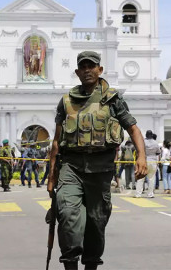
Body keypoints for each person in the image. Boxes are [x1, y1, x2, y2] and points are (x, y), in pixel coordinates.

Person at [47, 51, 147, 270]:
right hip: (71, 167)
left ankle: (91, 264)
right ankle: (70, 263)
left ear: (100, 70)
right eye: (82, 67)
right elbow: (56, 142)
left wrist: (141, 156)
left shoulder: (113, 99)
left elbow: (133, 129)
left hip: (101, 169)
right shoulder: (66, 101)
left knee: (96, 221)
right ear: (77, 72)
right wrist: (51, 177)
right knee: (66, 213)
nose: (87, 70)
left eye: (91, 66)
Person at [135, 130, 160, 198]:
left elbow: (138, 151)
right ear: (152, 135)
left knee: (141, 178)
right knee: (151, 178)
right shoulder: (155, 143)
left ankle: (138, 194)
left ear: (146, 135)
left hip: (144, 161)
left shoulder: (143, 142)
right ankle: (150, 194)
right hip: (153, 162)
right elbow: (158, 152)